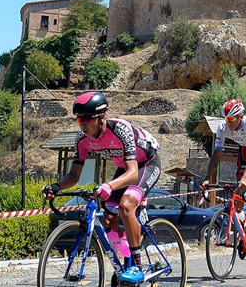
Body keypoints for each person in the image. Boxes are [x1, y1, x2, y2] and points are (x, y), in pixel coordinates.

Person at [41, 92, 161, 285]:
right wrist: (56, 186)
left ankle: (136, 267)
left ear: (101, 117)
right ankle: (124, 251)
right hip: (125, 166)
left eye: (87, 119)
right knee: (107, 217)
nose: (82, 124)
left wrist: (109, 185)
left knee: (126, 205)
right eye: (79, 119)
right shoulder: (82, 139)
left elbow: (132, 174)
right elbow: (73, 176)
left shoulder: (120, 129)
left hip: (146, 163)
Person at [200, 99, 246, 253]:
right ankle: (241, 224)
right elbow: (217, 155)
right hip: (245, 148)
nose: (229, 123)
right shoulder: (222, 128)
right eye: (227, 119)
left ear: (240, 116)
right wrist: (208, 177)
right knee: (238, 188)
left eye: (232, 119)